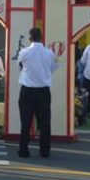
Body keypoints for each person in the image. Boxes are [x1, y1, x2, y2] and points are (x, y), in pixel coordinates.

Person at [17, 27, 57, 158]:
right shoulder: (49, 53)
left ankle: (23, 149)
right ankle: (44, 151)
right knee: (45, 123)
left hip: (27, 90)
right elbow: (52, 68)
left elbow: (20, 67)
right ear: (42, 37)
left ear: (30, 38)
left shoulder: (24, 52)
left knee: (25, 122)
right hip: (43, 91)